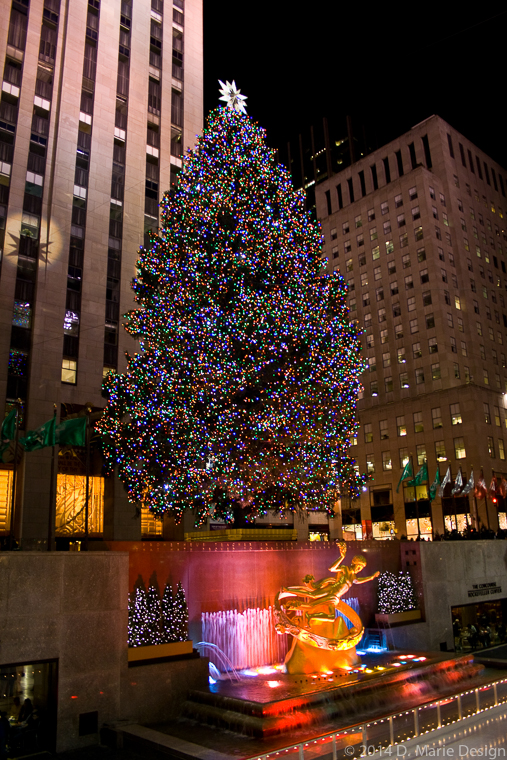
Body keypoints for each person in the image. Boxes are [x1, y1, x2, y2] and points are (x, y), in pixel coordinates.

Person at [280, 540, 379, 626]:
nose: (359, 569)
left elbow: (358, 581)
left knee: (331, 617)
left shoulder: (353, 577)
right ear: (354, 563)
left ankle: (309, 616)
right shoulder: (345, 569)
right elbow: (331, 568)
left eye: (361, 568)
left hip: (334, 597)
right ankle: (287, 590)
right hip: (331, 589)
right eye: (359, 566)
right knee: (313, 595)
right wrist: (342, 557)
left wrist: (371, 577)